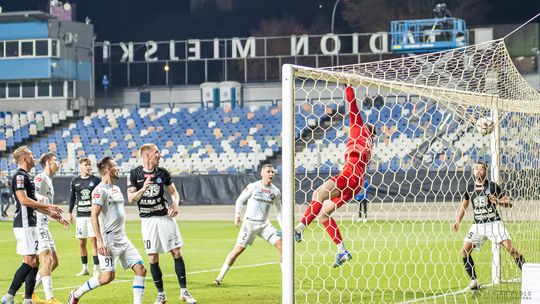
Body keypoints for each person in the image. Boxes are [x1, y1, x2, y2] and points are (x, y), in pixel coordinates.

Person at [294, 85, 376, 267]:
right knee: (323, 215)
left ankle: (298, 229)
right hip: (356, 184)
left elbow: (352, 105)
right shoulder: (370, 144)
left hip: (349, 176)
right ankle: (342, 251)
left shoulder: (358, 129)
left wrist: (347, 86)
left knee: (318, 194)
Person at [68, 157, 147, 304]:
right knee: (107, 278)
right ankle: (76, 294)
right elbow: (94, 216)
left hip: (123, 238)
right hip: (108, 241)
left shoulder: (116, 188)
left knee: (141, 269)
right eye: (115, 166)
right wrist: (100, 242)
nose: (118, 168)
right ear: (107, 169)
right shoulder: (99, 190)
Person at [127, 144, 196, 304]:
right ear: (146, 156)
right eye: (156, 152)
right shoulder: (135, 173)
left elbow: (173, 192)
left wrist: (175, 204)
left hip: (165, 218)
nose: (159, 155)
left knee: (176, 252)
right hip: (147, 221)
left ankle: (184, 292)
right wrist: (143, 189)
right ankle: (161, 295)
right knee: (152, 257)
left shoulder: (162, 172)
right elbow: (131, 199)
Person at [1, 146, 64, 304]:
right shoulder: (20, 176)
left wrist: (52, 214)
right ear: (24, 159)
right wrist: (49, 207)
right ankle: (9, 296)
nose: (34, 157)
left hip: (31, 222)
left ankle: (28, 298)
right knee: (29, 261)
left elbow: (35, 205)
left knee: (35, 260)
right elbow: (23, 200)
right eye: (31, 155)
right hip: (24, 224)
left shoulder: (27, 176)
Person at [452, 161, 526, 290]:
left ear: (486, 171)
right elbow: (464, 206)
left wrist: (497, 201)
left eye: (481, 169)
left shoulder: (493, 186)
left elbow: (509, 203)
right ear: (473, 172)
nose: (478, 171)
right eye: (476, 169)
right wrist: (458, 220)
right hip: (478, 226)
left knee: (511, 249)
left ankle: (528, 275)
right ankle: (474, 281)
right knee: (465, 251)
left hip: (494, 224)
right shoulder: (470, 188)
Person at [214, 163, 282, 285]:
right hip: (249, 224)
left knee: (282, 247)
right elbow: (240, 200)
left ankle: (286, 278)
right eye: (268, 171)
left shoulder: (276, 192)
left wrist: (284, 227)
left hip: (265, 225)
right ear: (262, 173)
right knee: (238, 250)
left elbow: (279, 212)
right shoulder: (254, 186)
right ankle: (220, 276)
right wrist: (237, 215)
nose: (271, 174)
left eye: (272, 172)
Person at [33, 153, 69, 304]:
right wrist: (41, 199)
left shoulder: (49, 180)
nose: (58, 163)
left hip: (44, 223)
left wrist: (57, 217)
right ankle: (50, 298)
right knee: (47, 259)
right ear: (48, 162)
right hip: (37, 224)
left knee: (54, 262)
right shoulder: (40, 178)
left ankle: (30, 292)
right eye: (55, 160)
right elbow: (31, 195)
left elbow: (47, 207)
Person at [68, 158, 101, 278]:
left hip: (92, 216)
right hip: (80, 216)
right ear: (80, 166)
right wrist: (69, 212)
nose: (88, 167)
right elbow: (72, 197)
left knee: (94, 241)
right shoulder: (75, 181)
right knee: (82, 242)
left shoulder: (96, 180)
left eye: (89, 165)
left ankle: (96, 268)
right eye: (86, 165)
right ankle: (85, 268)